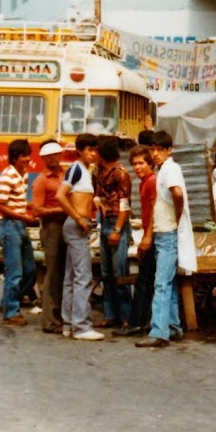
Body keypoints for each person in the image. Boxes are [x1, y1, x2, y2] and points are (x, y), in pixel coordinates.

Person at [136, 130, 188, 348]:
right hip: (163, 231)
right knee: (169, 282)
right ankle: (173, 327)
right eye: (153, 149)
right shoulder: (164, 169)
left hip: (167, 233)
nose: (155, 153)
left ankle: (159, 331)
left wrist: (177, 218)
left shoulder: (170, 169)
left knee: (161, 283)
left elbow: (177, 194)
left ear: (169, 150)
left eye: (159, 150)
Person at [53, 133, 104, 341]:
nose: (93, 154)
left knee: (71, 277)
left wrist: (94, 203)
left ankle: (69, 324)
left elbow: (79, 197)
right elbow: (60, 195)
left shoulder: (85, 171)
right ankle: (82, 326)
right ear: (80, 151)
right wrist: (78, 218)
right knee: (83, 277)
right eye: (89, 150)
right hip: (77, 226)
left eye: (95, 150)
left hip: (78, 225)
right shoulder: (76, 168)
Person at [0, 139, 38, 326]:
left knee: (30, 271)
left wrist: (34, 206)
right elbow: (2, 207)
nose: (27, 159)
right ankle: (10, 312)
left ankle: (7, 302)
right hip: (11, 227)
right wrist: (26, 218)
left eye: (28, 155)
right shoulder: (7, 177)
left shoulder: (23, 175)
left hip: (20, 226)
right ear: (15, 158)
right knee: (14, 273)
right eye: (24, 156)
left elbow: (20, 201)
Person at [94, 134, 132, 330]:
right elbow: (98, 195)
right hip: (104, 221)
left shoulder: (120, 173)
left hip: (117, 223)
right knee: (106, 272)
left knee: (119, 272)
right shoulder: (98, 171)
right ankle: (110, 315)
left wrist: (117, 230)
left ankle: (126, 316)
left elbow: (125, 205)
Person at [31, 142, 68, 334]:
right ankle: (50, 320)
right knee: (53, 274)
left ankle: (59, 316)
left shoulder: (65, 175)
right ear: (44, 158)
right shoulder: (41, 181)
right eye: (50, 155)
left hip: (66, 226)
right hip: (52, 227)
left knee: (62, 273)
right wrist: (61, 209)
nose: (54, 158)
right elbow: (37, 209)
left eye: (57, 154)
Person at [125, 146, 158, 335]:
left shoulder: (152, 181)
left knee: (144, 282)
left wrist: (147, 237)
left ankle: (137, 324)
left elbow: (155, 210)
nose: (137, 167)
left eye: (141, 163)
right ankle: (137, 322)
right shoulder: (143, 182)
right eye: (135, 164)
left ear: (150, 164)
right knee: (144, 281)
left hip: (152, 237)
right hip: (148, 235)